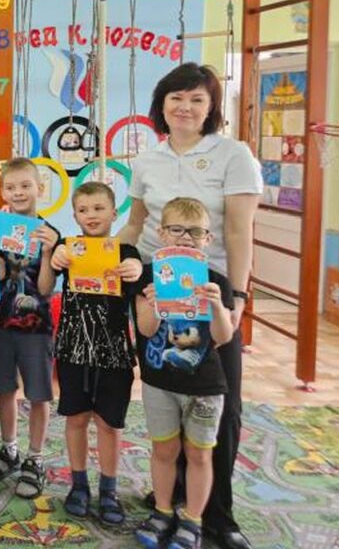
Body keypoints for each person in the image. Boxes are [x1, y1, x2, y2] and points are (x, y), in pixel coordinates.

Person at [120, 63, 262, 549]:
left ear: (211, 107)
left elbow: (239, 232)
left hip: (211, 291)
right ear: (161, 104)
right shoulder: (148, 160)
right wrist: (96, 254)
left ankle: (217, 514)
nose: (185, 107)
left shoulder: (233, 155)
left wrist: (238, 295)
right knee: (165, 387)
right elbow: (136, 225)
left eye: (197, 99)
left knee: (220, 400)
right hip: (154, 286)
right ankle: (172, 495)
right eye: (176, 97)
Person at [132, 198, 236, 549]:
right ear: (161, 234)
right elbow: (146, 329)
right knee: (164, 449)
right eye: (176, 230)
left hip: (205, 385)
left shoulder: (217, 281)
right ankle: (163, 510)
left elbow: (223, 337)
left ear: (208, 238)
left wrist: (217, 305)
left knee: (199, 453)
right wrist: (154, 304)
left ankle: (193, 519)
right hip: (159, 381)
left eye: (195, 232)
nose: (186, 238)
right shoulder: (148, 277)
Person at [49, 182, 143, 525]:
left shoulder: (127, 252)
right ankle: (78, 484)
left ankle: (109, 489)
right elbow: (48, 277)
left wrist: (136, 270)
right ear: (75, 215)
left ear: (114, 213)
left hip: (114, 354)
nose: (91, 215)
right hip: (73, 350)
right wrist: (53, 259)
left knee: (109, 423)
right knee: (75, 419)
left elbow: (139, 280)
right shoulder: (66, 248)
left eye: (99, 208)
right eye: (83, 210)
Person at [0, 157, 61, 499]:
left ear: (40, 188)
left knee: (39, 393)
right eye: (10, 187)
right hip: (0, 323)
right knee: (5, 390)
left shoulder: (49, 232)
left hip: (36, 327)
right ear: (2, 192)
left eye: (25, 185)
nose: (18, 192)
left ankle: (35, 457)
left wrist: (49, 251)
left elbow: (45, 289)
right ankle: (10, 449)